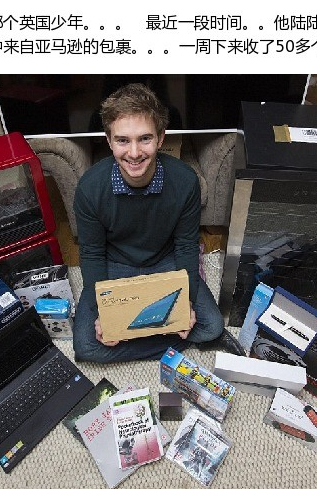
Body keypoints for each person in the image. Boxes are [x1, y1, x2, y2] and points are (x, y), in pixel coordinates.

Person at [73, 83, 244, 363]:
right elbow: (91, 253)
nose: (134, 152)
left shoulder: (185, 181)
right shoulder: (89, 188)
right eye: (123, 140)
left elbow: (186, 245)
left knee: (212, 326)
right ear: (109, 141)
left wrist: (187, 303)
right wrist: (105, 312)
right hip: (116, 264)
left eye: (145, 139)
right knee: (86, 346)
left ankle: (147, 335)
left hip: (166, 261)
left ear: (161, 138)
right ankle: (174, 340)